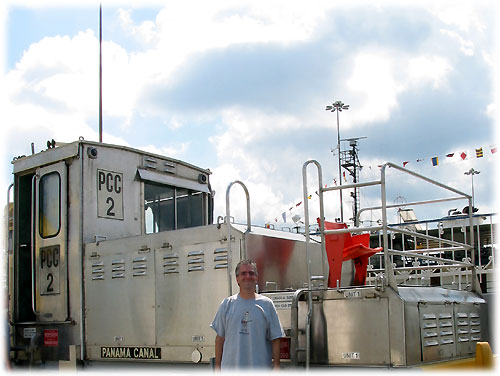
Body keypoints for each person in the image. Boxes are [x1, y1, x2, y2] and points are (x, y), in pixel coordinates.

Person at [210, 259, 284, 370]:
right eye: (243, 273)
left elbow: (276, 338)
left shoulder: (267, 304)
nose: (247, 276)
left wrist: (277, 367)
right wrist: (217, 368)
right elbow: (220, 339)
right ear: (237, 279)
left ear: (256, 278)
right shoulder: (227, 304)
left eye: (251, 273)